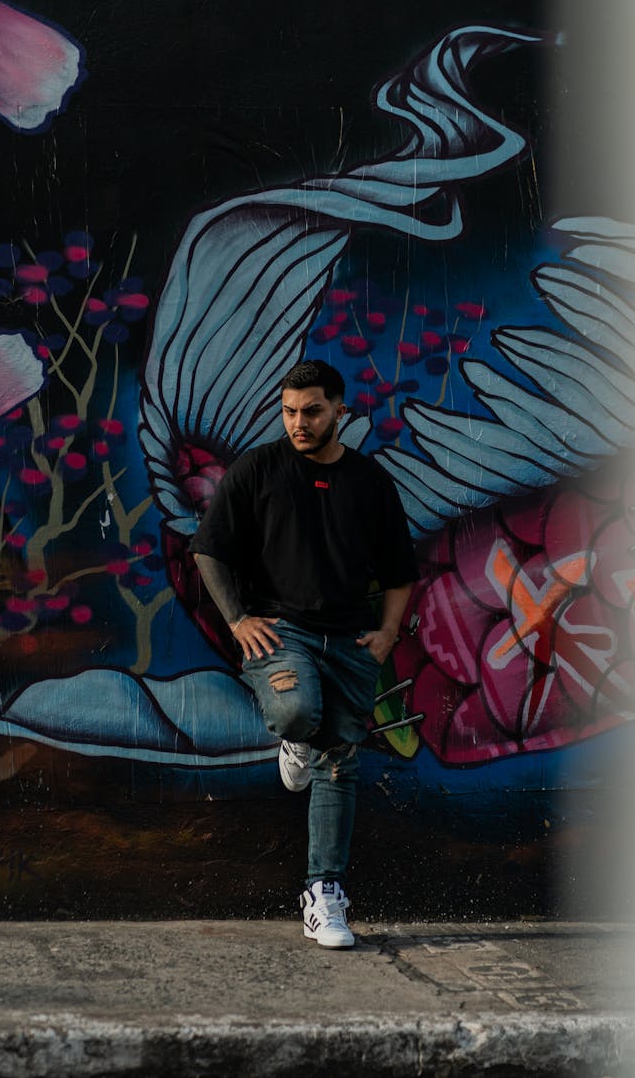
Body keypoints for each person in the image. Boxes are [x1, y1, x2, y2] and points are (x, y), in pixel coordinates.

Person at [190, 359, 417, 948]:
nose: (299, 422)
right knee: (297, 714)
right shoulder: (259, 470)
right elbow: (208, 550)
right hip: (280, 633)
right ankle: (292, 737)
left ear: (340, 410)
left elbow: (399, 572)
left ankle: (323, 895)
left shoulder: (370, 482)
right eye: (289, 411)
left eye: (312, 410)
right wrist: (238, 619)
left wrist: (388, 634)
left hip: (350, 640)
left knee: (340, 762)